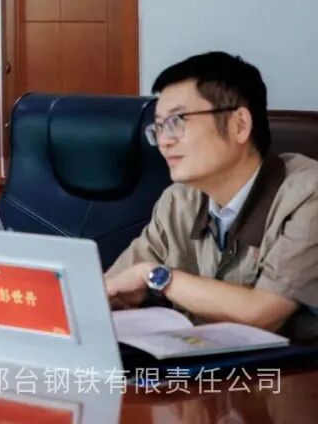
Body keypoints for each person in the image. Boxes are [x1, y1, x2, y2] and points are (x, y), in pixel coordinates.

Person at [105, 52, 318, 338]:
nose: (164, 141)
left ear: (239, 125)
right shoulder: (178, 201)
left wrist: (156, 277)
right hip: (194, 362)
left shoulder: (308, 194)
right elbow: (109, 288)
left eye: (177, 121)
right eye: (159, 126)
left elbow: (262, 313)